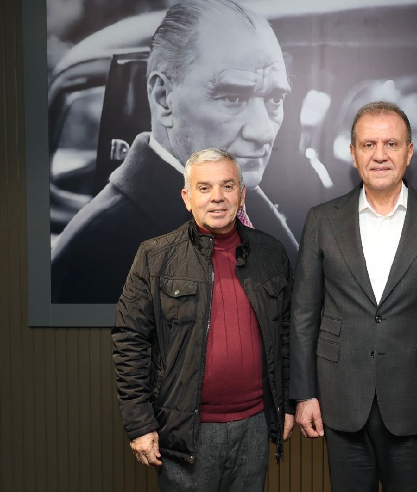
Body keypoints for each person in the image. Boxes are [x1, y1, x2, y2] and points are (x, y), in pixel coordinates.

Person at [51, 0, 298, 303]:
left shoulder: (247, 209)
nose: (263, 131)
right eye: (233, 98)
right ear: (163, 98)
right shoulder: (96, 252)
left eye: (275, 99)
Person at [289, 101, 417, 491]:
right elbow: (303, 316)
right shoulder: (322, 220)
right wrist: (303, 394)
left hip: (415, 400)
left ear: (409, 151)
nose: (379, 155)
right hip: (340, 399)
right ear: (353, 152)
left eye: (391, 144)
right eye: (368, 144)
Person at [112, 148, 294, 491]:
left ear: (242, 195)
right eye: (204, 188)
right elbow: (129, 342)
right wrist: (139, 424)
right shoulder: (155, 257)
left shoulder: (271, 254)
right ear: (187, 197)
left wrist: (286, 404)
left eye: (227, 186)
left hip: (254, 426)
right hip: (186, 431)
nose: (217, 197)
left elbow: (286, 337)